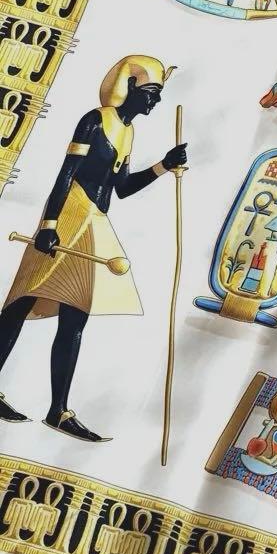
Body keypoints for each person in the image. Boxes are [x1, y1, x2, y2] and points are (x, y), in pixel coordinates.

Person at [0, 55, 187, 442]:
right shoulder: (94, 120)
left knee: (75, 318)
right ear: (130, 87)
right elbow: (65, 174)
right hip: (68, 216)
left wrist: (164, 166)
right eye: (152, 92)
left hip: (95, 221)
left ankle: (58, 411)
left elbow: (122, 189)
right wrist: (48, 225)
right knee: (20, 303)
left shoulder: (128, 132)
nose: (156, 100)